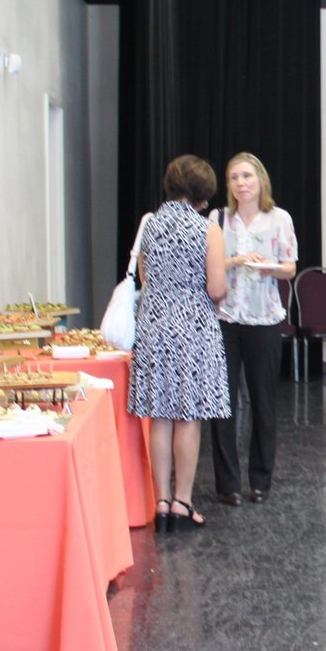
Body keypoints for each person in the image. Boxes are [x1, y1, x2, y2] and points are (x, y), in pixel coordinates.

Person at [130, 154, 230, 533]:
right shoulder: (208, 230)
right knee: (189, 416)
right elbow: (216, 287)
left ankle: (159, 502)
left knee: (161, 416)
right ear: (204, 192)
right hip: (192, 326)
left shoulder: (150, 225)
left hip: (154, 324)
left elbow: (144, 276)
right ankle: (182, 504)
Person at [210, 152, 298, 507]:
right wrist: (235, 261)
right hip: (225, 320)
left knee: (263, 402)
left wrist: (270, 268)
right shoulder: (218, 220)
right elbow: (209, 266)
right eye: (234, 178)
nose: (241, 183)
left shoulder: (279, 219)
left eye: (247, 176)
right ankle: (227, 484)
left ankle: (260, 480)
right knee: (223, 405)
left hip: (264, 319)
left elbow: (290, 268)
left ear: (260, 180)